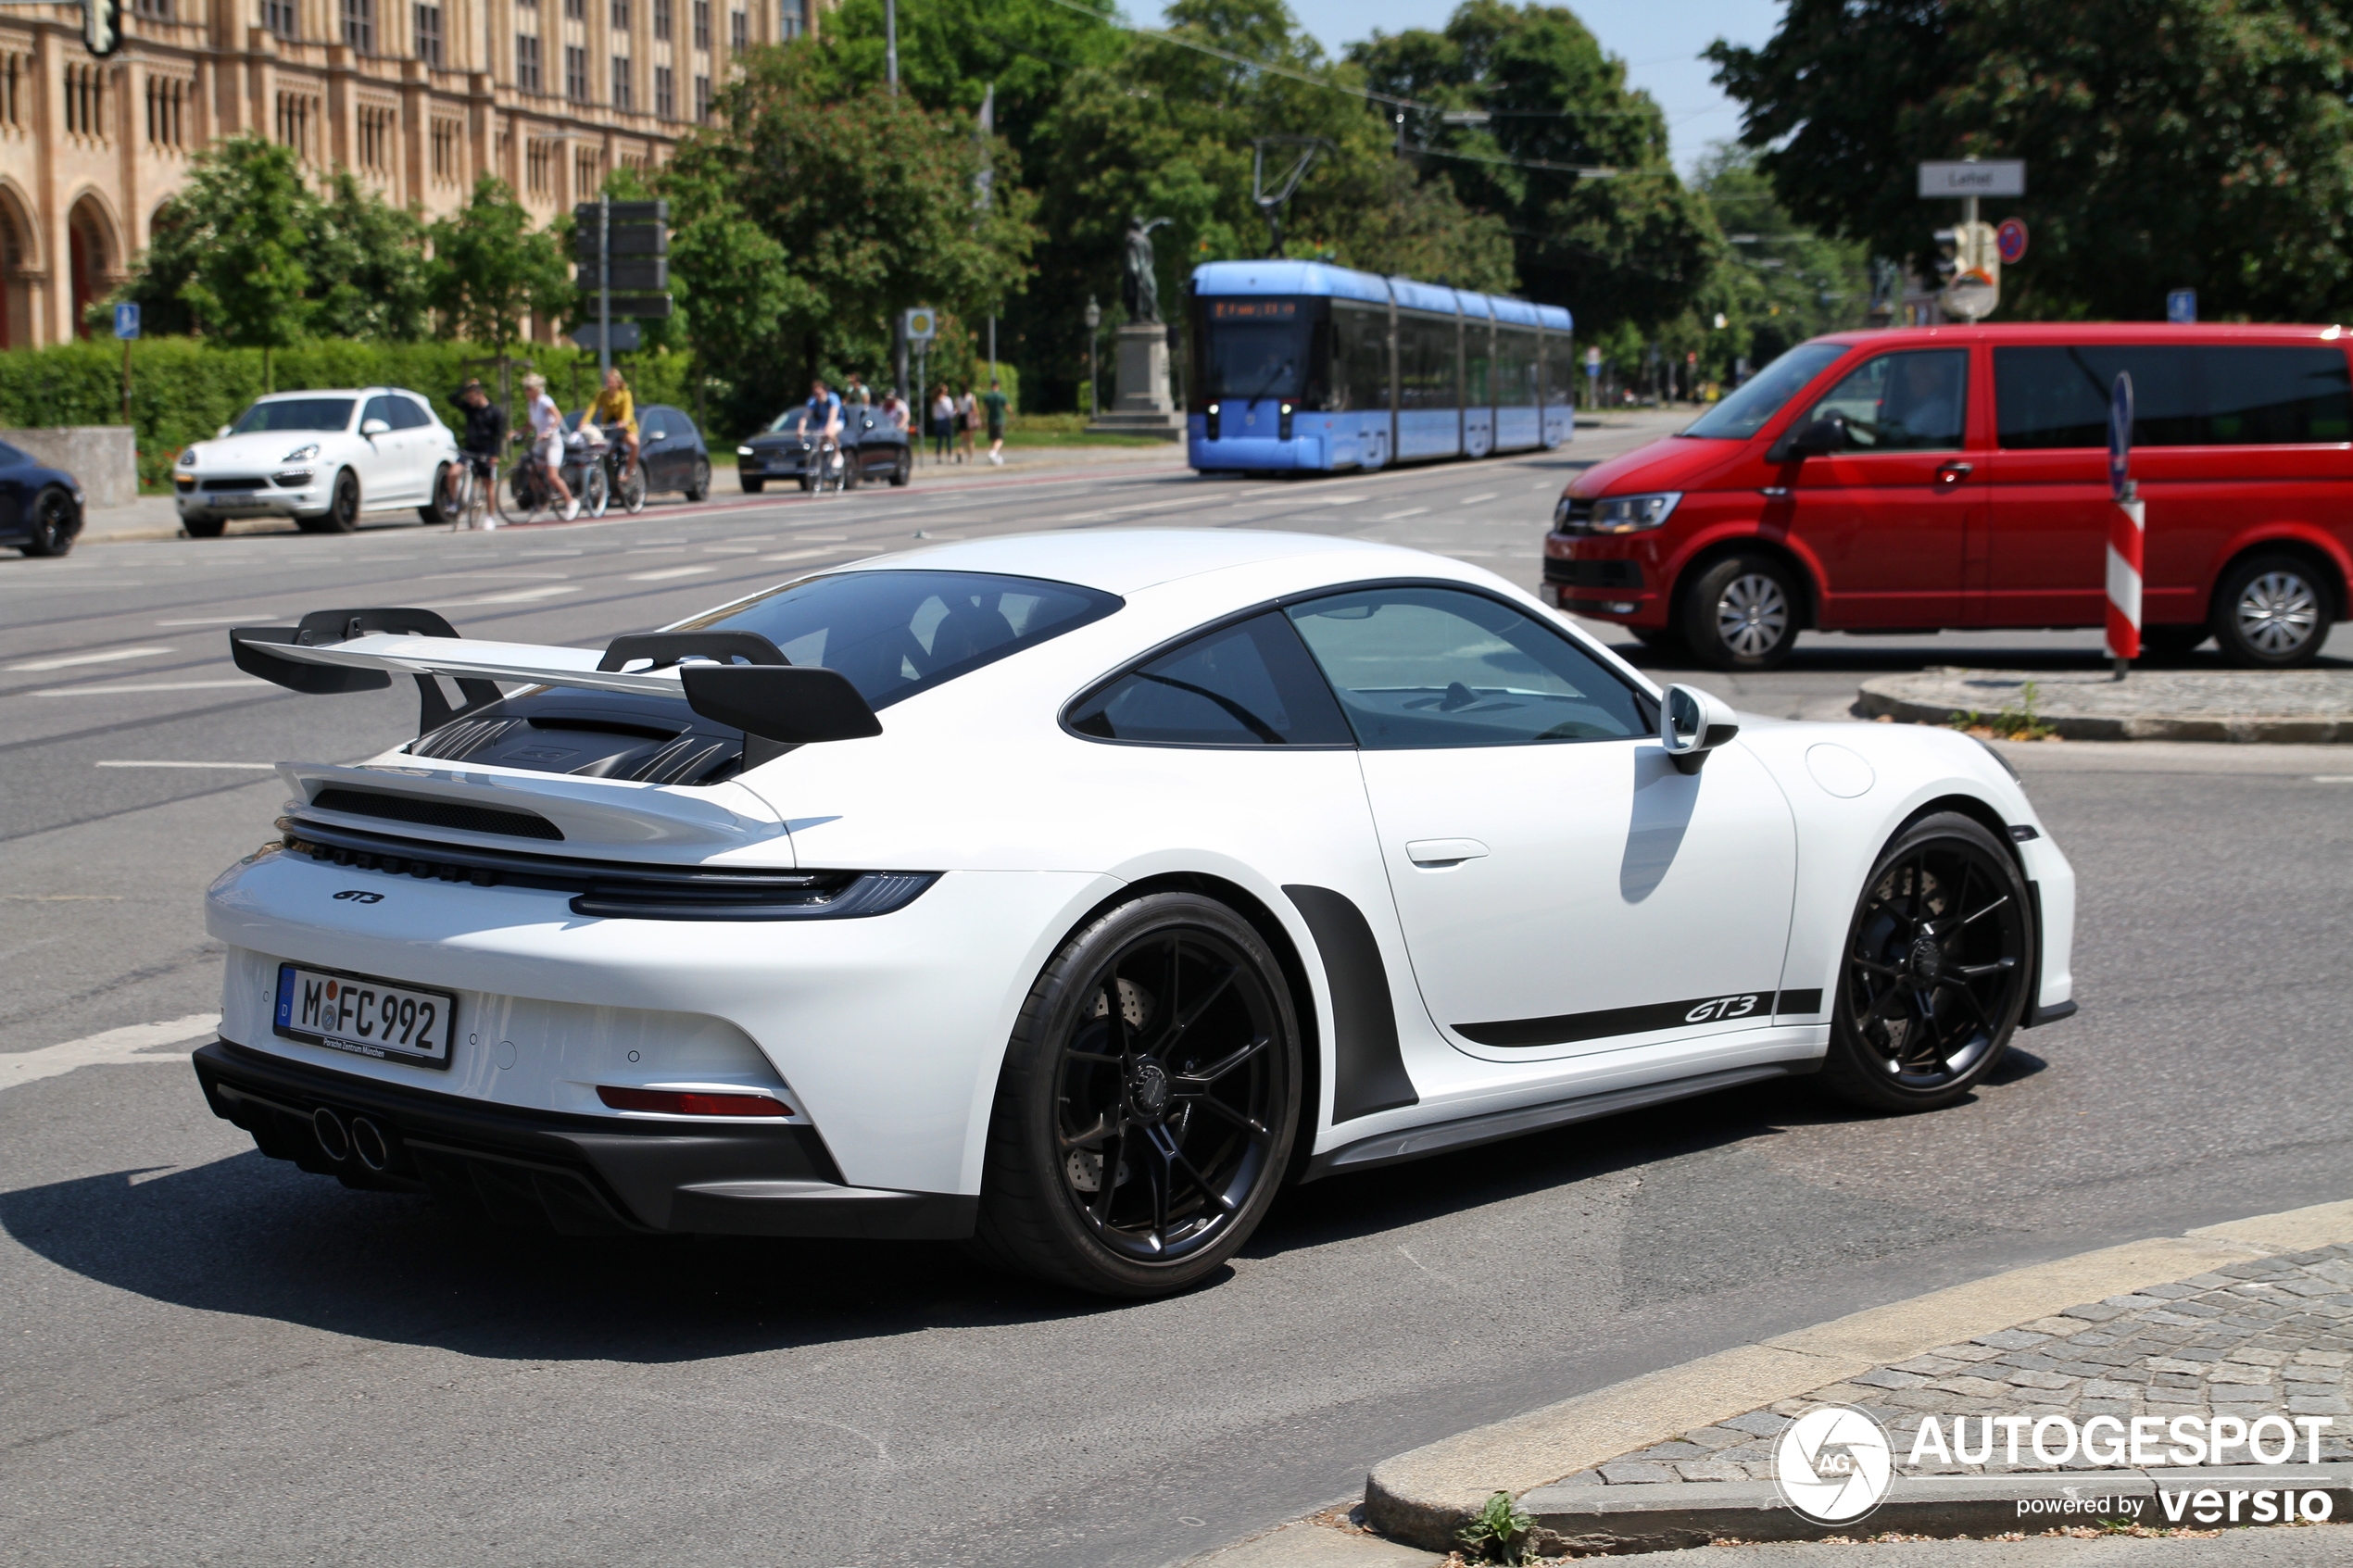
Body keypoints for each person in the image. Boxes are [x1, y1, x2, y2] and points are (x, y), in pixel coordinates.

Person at [445, 379, 506, 526]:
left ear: (480, 395)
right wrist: (465, 387)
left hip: (486, 451)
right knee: (453, 473)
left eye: (471, 397)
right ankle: (454, 502)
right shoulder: (470, 408)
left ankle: (490, 517)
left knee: (488, 484)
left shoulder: (495, 412)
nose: (469, 401)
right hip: (470, 449)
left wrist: (495, 455)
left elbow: (500, 435)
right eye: (468, 398)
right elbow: (451, 399)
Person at [522, 371, 576, 520]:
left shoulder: (545, 401)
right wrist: (517, 432)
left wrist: (548, 431)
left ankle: (571, 502)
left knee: (552, 476)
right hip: (540, 442)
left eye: (528, 388)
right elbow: (530, 424)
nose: (526, 391)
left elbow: (557, 417)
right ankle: (542, 499)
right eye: (525, 388)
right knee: (532, 471)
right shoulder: (531, 404)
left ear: (535, 388)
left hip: (553, 441)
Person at [589, 367, 639, 483]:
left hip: (625, 428)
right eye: (607, 381)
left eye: (611, 381)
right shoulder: (602, 394)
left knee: (634, 443)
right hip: (610, 428)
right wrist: (584, 421)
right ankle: (610, 477)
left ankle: (628, 472)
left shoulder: (625, 394)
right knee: (604, 451)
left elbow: (628, 409)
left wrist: (624, 421)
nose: (609, 384)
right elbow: (593, 407)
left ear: (618, 382)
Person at [807, 377, 845, 483]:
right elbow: (805, 416)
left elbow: (833, 414)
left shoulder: (832, 398)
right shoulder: (813, 402)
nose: (817, 396)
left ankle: (837, 454)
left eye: (819, 393)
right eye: (815, 394)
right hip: (823, 423)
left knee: (830, 433)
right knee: (820, 443)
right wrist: (800, 429)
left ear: (824, 391)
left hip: (838, 421)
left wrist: (828, 428)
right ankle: (822, 464)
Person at [981, 377, 1009, 466]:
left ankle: (994, 457)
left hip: (990, 420)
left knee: (993, 439)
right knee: (999, 439)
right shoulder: (1001, 396)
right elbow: (1007, 407)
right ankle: (993, 453)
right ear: (998, 385)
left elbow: (984, 409)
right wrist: (1012, 415)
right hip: (999, 420)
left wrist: (983, 419)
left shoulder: (988, 396)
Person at [931, 386, 955, 462]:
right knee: (949, 439)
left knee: (939, 440)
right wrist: (955, 412)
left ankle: (939, 457)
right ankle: (950, 456)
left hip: (938, 421)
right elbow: (949, 412)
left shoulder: (935, 400)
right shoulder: (946, 400)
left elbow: (934, 413)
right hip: (946, 420)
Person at [955, 384, 977, 463]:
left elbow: (957, 409)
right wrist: (977, 418)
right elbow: (974, 408)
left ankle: (960, 451)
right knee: (971, 440)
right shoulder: (971, 397)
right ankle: (970, 458)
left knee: (963, 439)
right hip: (969, 417)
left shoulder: (958, 398)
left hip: (962, 417)